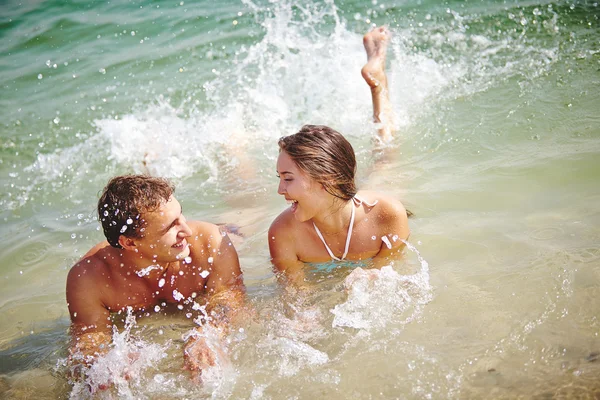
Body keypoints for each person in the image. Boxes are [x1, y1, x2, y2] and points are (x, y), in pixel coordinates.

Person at [66, 174, 246, 380]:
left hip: (232, 234)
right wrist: (102, 362)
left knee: (241, 220)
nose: (186, 230)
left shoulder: (211, 243)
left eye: (181, 216)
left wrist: (211, 332)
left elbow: (231, 298)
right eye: (170, 227)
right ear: (129, 243)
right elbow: (88, 338)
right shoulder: (89, 279)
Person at [268, 27, 410, 286]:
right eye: (280, 177)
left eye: (288, 178)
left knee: (386, 156)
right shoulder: (284, 233)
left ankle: (378, 82)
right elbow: (294, 296)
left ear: (325, 179)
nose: (280, 189)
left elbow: (387, 272)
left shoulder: (387, 215)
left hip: (373, 198)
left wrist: (371, 279)